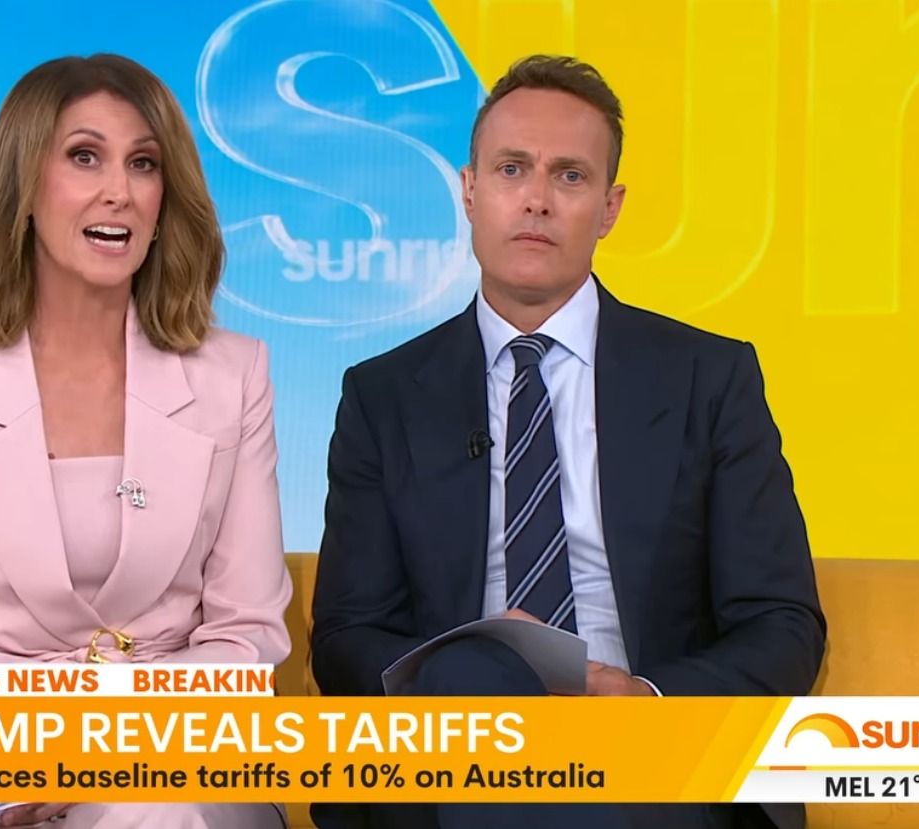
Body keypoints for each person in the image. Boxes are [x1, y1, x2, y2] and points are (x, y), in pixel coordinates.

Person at [310, 55, 826, 829]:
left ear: (610, 208)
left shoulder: (708, 377)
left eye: (571, 176)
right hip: (456, 751)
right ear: (469, 190)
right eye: (512, 169)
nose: (538, 199)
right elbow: (347, 638)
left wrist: (647, 698)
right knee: (478, 681)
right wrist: (466, 687)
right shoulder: (383, 397)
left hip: (653, 752)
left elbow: (783, 623)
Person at [0, 54, 291, 829]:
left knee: (151, 813)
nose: (118, 189)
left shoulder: (234, 375)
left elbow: (246, 633)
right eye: (85, 157)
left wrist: (110, 737)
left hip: (173, 748)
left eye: (143, 163)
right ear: (23, 187)